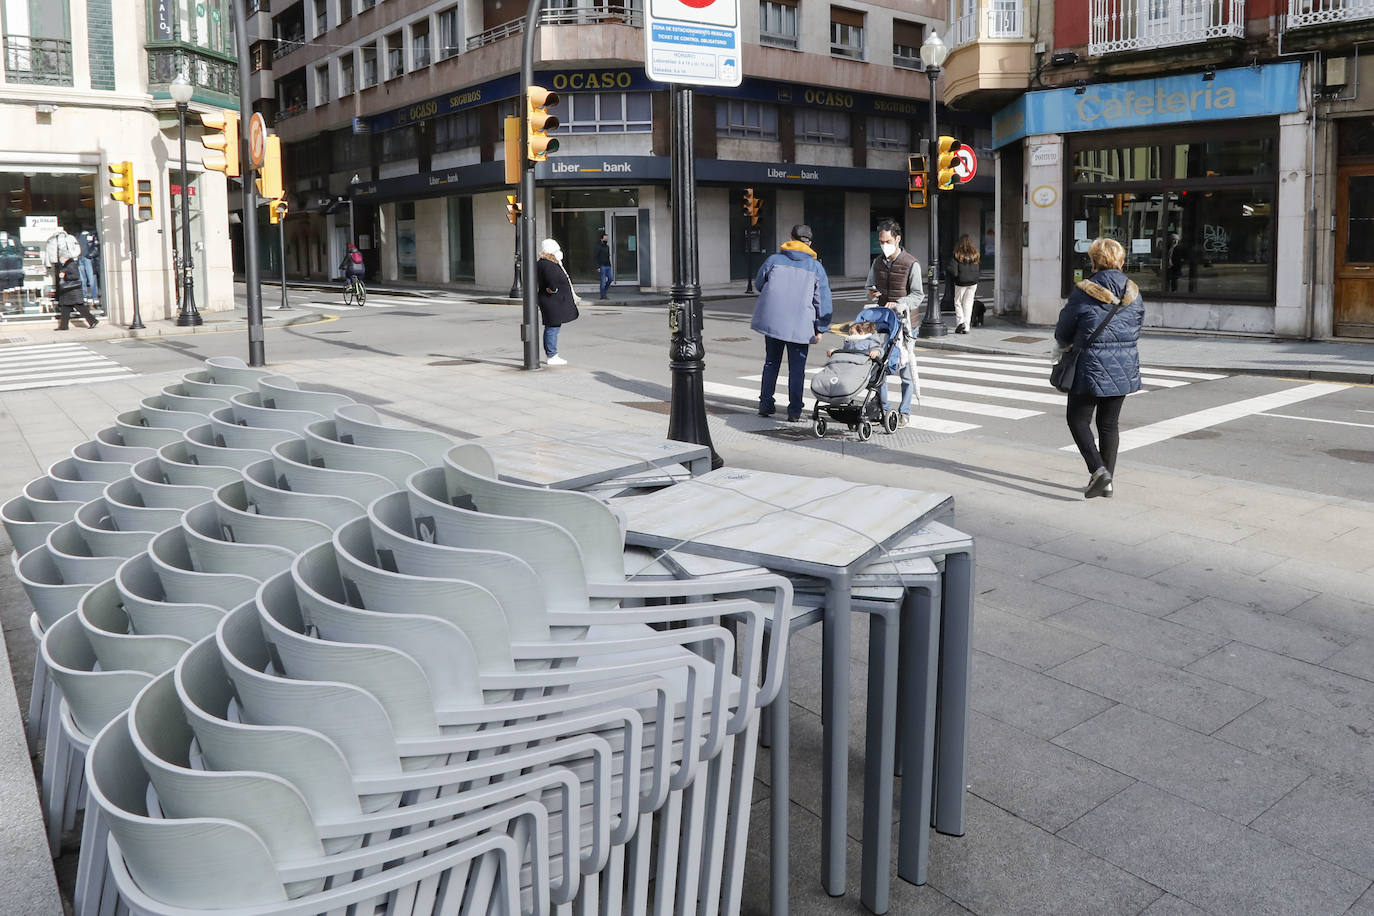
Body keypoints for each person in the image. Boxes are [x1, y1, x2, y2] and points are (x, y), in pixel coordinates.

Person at [1054, 237, 1144, 499]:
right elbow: (1136, 328)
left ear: (1093, 261)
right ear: (1121, 261)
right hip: (1124, 365)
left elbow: (1063, 331)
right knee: (1109, 425)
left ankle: (1098, 470)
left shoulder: (1084, 291)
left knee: (1078, 419)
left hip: (1089, 365)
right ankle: (1107, 483)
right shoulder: (1134, 292)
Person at [751, 224, 833, 421]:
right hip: (800, 326)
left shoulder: (773, 260)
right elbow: (822, 300)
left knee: (771, 362)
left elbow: (759, 284)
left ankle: (765, 404)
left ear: (790, 237)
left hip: (773, 323)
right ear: (810, 243)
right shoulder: (815, 267)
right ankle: (794, 410)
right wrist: (821, 327)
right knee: (797, 369)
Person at [864, 218, 923, 427]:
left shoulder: (911, 263)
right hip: (884, 321)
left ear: (898, 239)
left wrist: (899, 303)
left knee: (905, 368)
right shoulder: (878, 262)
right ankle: (884, 408)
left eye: (887, 241)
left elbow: (918, 295)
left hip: (906, 323)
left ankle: (904, 411)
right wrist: (873, 293)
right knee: (880, 365)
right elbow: (869, 285)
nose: (883, 245)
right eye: (881, 241)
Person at [536, 238, 578, 366]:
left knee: (552, 327)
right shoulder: (548, 264)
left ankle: (552, 354)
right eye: (556, 249)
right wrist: (553, 289)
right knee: (552, 328)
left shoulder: (545, 263)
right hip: (552, 301)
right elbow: (551, 281)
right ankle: (552, 355)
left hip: (552, 301)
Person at [52, 236, 98, 330]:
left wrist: (64, 275)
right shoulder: (67, 264)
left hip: (73, 291)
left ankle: (93, 320)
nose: (60, 259)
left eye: (61, 257)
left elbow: (75, 276)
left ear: (64, 257)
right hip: (69, 292)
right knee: (65, 308)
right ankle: (63, 326)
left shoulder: (71, 264)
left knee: (80, 307)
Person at [947, 234, 981, 334]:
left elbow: (952, 270)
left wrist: (956, 276)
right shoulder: (975, 254)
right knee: (968, 304)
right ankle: (966, 326)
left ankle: (960, 322)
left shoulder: (957, 254)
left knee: (958, 302)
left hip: (961, 282)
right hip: (973, 283)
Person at [596, 231, 613, 300]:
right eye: (605, 238)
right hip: (602, 266)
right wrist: (597, 266)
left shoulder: (607, 247)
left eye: (607, 238)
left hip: (608, 265)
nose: (606, 240)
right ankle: (603, 295)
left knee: (610, 279)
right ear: (601, 239)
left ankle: (604, 291)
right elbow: (595, 257)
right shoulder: (598, 247)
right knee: (603, 281)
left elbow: (608, 256)